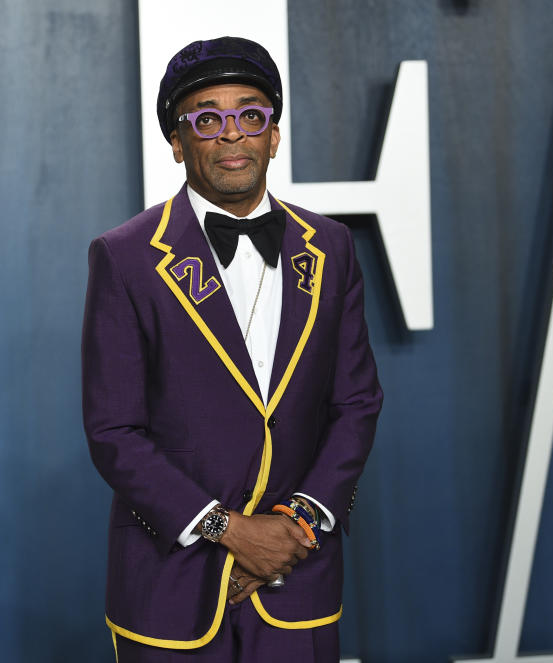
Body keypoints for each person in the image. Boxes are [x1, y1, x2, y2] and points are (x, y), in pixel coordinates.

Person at [82, 35, 382, 662]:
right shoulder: (126, 256)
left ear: (273, 135)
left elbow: (356, 403)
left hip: (297, 582)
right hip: (171, 588)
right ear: (177, 141)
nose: (232, 135)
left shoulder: (330, 248)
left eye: (251, 115)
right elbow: (115, 431)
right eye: (207, 119)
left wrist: (293, 530)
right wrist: (232, 532)